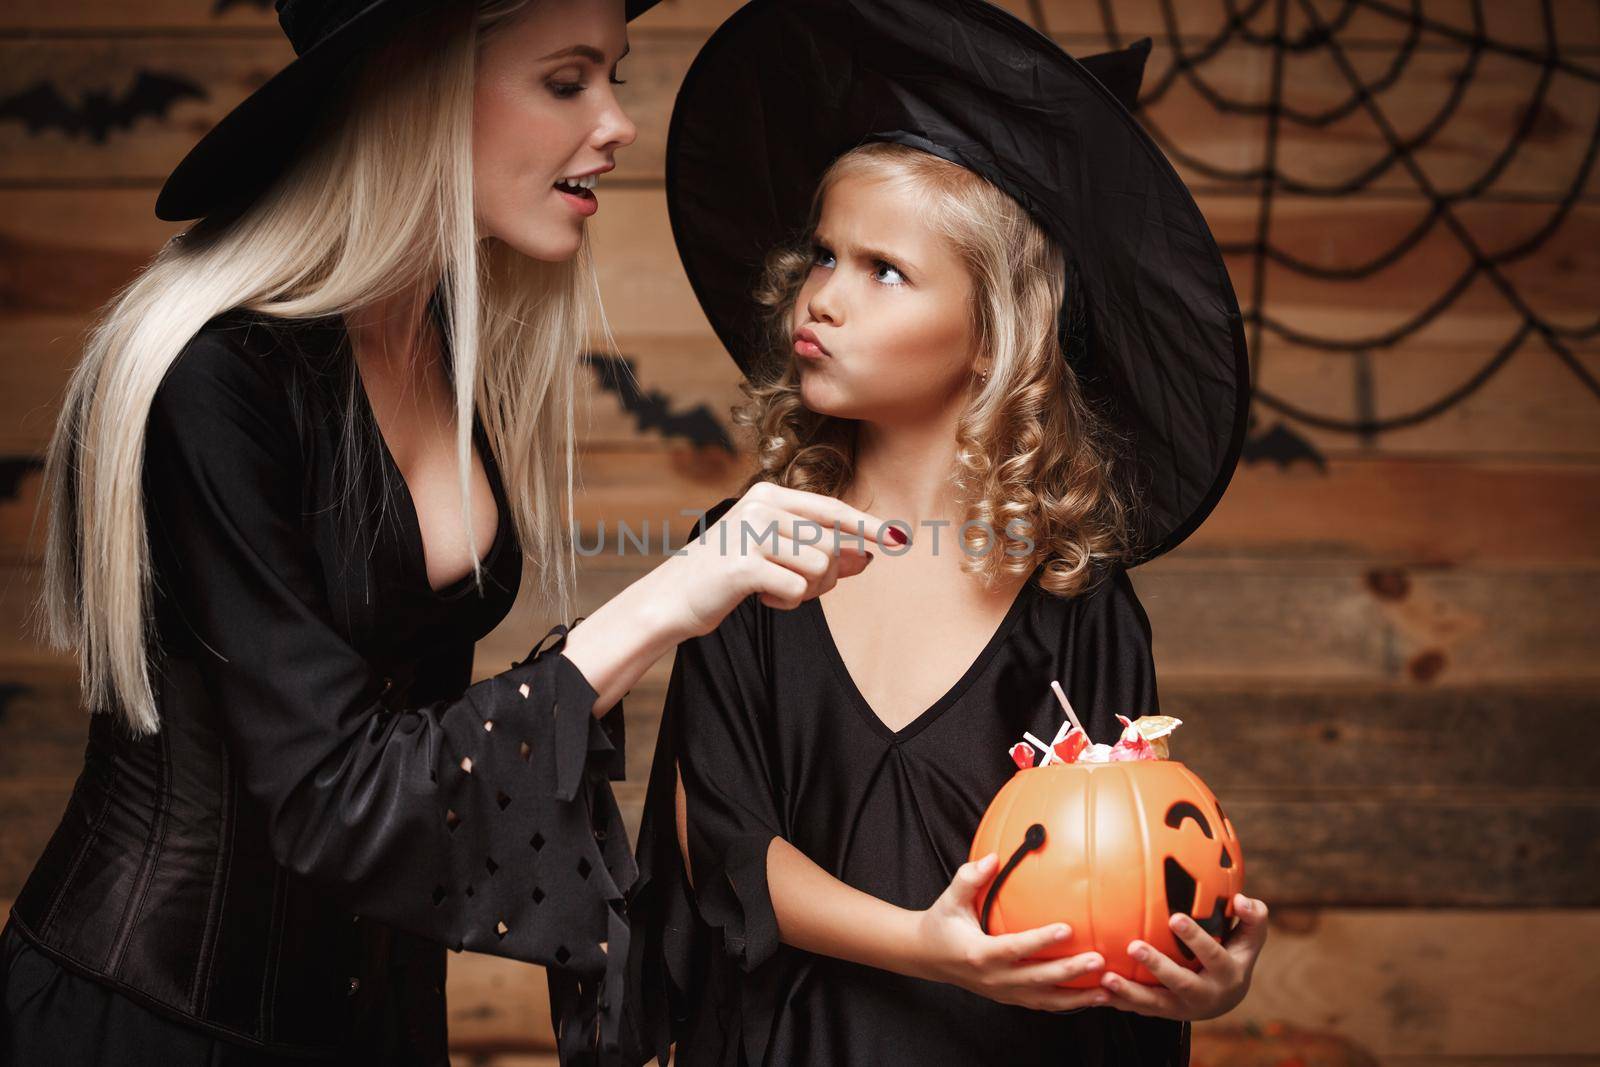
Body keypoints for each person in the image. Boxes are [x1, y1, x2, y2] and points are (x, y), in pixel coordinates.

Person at [0, 1, 895, 1065]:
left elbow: (414, 739)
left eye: (613, 77)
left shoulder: (432, 335)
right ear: (412, 94)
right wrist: (675, 590)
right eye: (567, 81)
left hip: (374, 1024)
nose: (616, 124)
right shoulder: (211, 377)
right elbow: (336, 796)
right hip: (147, 1027)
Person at [622, 2, 1269, 1064]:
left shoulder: (1075, 595)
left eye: (884, 270)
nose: (821, 296)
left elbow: (1123, 861)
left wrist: (1196, 966)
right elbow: (721, 844)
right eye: (823, 254)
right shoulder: (748, 549)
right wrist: (928, 945)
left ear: (991, 333)